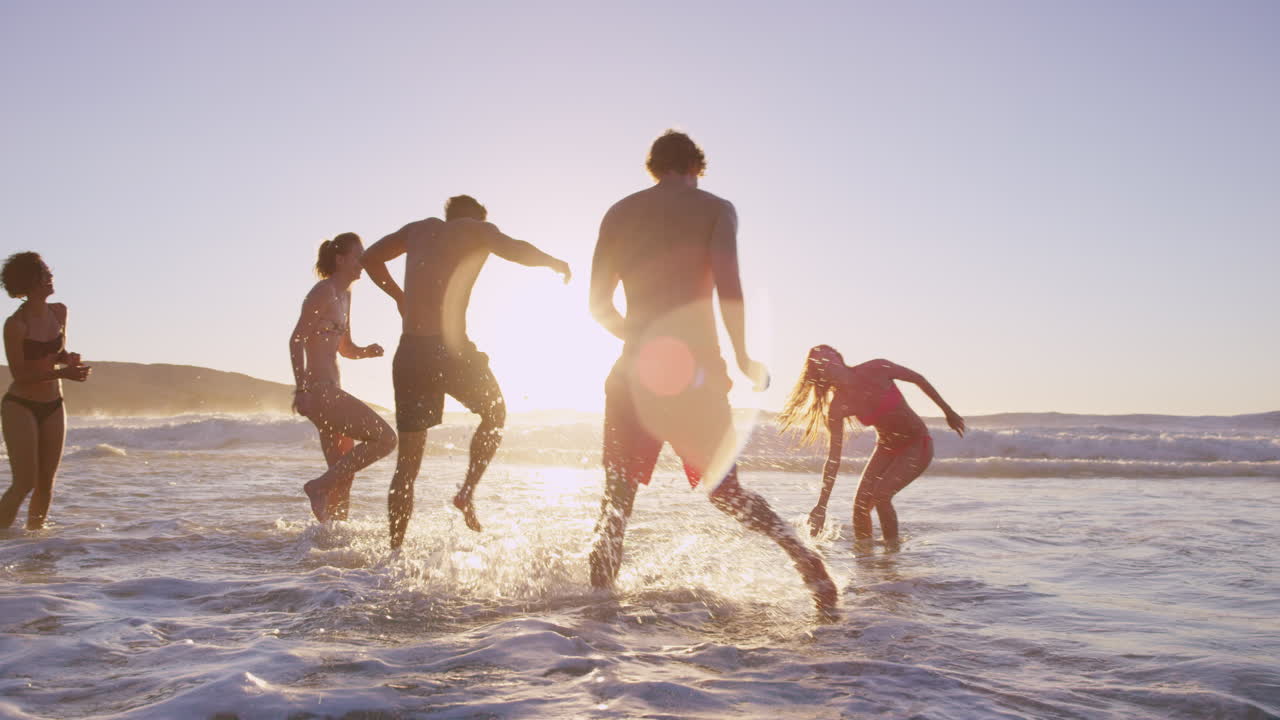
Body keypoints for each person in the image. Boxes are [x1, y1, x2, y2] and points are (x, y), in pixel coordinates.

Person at [588, 130, 837, 614]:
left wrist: (644, 341)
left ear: (654, 167)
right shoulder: (715, 208)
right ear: (696, 166)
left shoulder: (618, 212)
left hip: (631, 372)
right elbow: (729, 288)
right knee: (725, 492)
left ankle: (597, 613)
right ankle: (805, 561)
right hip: (695, 373)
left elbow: (598, 307)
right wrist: (744, 358)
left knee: (615, 501)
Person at [362, 195, 570, 548]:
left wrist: (399, 296)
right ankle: (466, 491)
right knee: (495, 413)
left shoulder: (417, 229)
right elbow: (515, 248)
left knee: (408, 464)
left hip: (410, 352)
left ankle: (395, 549)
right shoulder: (476, 230)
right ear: (476, 219)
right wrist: (553, 262)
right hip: (450, 351)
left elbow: (369, 258)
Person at [778, 345, 965, 542]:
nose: (824, 363)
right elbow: (833, 458)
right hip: (885, 448)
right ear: (818, 374)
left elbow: (918, 379)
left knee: (881, 496)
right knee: (860, 505)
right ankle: (865, 557)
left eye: (827, 357)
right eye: (818, 364)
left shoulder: (877, 368)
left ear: (839, 357)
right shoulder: (838, 406)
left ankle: (892, 550)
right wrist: (821, 505)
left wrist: (948, 411)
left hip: (916, 443)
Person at [289, 233, 397, 523]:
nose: (362, 262)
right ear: (340, 259)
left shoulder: (345, 296)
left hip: (332, 389)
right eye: (357, 255)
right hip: (320, 391)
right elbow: (296, 340)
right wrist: (301, 390)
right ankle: (317, 486)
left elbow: (345, 348)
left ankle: (332, 543)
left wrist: (366, 352)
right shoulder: (322, 292)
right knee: (386, 439)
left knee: (343, 476)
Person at [1, 252, 91, 530]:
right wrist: (63, 372)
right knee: (25, 481)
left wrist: (69, 359)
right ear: (30, 281)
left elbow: (57, 353)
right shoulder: (15, 325)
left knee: (46, 483)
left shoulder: (59, 311)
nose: (50, 277)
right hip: (20, 405)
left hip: (54, 403)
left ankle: (35, 546)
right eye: (44, 273)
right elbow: (21, 374)